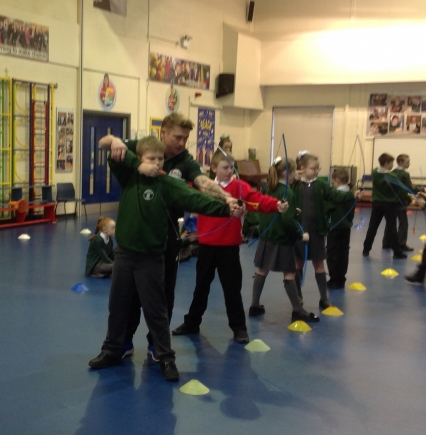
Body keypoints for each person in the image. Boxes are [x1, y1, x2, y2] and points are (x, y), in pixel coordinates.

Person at [87, 137, 242, 382]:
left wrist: (226, 207)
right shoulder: (129, 175)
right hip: (124, 255)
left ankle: (165, 356)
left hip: (151, 258)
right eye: (151, 159)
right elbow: (108, 146)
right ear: (140, 159)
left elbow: (195, 198)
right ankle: (112, 350)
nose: (157, 163)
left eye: (160, 159)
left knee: (156, 311)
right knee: (117, 306)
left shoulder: (167, 183)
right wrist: (129, 156)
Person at [107, 113, 234, 349]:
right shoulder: (144, 147)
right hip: (137, 237)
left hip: (167, 237)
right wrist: (116, 141)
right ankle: (124, 343)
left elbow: (202, 182)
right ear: (163, 133)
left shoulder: (185, 160)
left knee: (163, 294)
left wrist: (225, 197)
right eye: (177, 137)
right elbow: (108, 146)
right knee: (129, 295)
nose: (182, 143)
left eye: (185, 138)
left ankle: (157, 346)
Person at [172, 149, 289, 343]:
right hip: (206, 247)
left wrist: (276, 205)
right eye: (225, 167)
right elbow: (183, 191)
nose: (229, 171)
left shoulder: (240, 187)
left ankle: (239, 328)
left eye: (231, 168)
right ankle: (191, 323)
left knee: (232, 290)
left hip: (229, 248)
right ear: (214, 168)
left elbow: (257, 200)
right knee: (201, 288)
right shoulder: (203, 187)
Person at [249, 157, 317, 323]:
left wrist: (293, 210)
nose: (295, 176)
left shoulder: (268, 187)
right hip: (282, 238)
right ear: (285, 173)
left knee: (262, 270)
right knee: (290, 274)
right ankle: (298, 310)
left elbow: (272, 209)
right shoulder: (288, 192)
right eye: (293, 172)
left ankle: (254, 305)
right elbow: (287, 221)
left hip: (267, 236)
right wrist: (301, 235)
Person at [294, 153, 359, 310]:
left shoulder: (321, 185)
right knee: (298, 264)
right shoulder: (294, 185)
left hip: (316, 230)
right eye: (313, 168)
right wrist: (293, 179)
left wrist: (351, 194)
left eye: (318, 168)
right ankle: (298, 297)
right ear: (302, 169)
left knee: (319, 265)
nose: (316, 171)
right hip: (299, 230)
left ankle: (324, 298)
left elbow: (334, 195)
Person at [363, 153, 408, 260]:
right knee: (392, 228)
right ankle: (397, 252)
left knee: (372, 227)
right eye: (391, 163)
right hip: (389, 205)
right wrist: (409, 198)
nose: (392, 165)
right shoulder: (392, 176)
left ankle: (366, 249)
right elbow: (399, 190)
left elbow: (377, 170)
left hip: (377, 204)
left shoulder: (375, 172)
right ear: (387, 163)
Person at [325, 168, 355, 290]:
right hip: (346, 228)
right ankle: (341, 278)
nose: (332, 184)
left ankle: (334, 279)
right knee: (343, 253)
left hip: (335, 228)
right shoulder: (351, 194)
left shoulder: (335, 195)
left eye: (333, 181)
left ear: (337, 180)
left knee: (332, 253)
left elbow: (327, 208)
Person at [382, 154, 416, 252]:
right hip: (401, 201)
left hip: (391, 201)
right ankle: (401, 243)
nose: (409, 164)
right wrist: (421, 190)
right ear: (400, 162)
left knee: (390, 223)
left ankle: (386, 242)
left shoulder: (392, 173)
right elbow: (409, 188)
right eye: (407, 162)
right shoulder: (405, 174)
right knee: (403, 223)